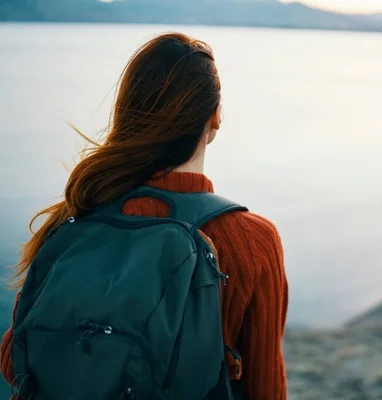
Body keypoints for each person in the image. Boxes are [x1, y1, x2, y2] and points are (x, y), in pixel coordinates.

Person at [0, 32, 288, 399]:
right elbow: (265, 388)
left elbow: (15, 361)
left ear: (128, 114)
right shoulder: (252, 238)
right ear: (215, 116)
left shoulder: (74, 218)